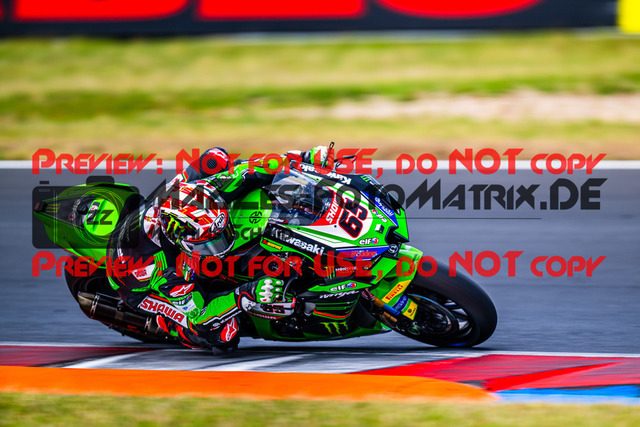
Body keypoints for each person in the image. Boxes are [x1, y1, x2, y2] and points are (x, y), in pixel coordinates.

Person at [107, 146, 332, 351]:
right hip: (138, 285)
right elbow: (202, 314)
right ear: (182, 242)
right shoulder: (169, 272)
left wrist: (302, 157)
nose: (221, 246)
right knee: (222, 334)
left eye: (221, 236)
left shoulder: (207, 188)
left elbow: (251, 169)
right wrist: (247, 293)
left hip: (159, 212)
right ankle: (172, 327)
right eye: (211, 243)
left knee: (216, 159)